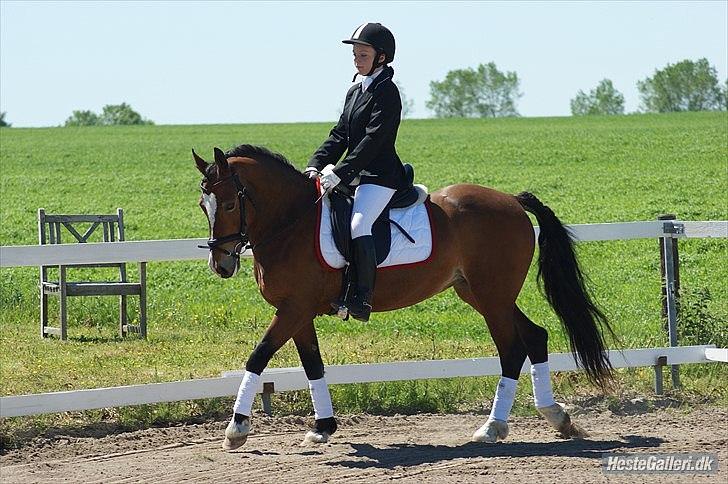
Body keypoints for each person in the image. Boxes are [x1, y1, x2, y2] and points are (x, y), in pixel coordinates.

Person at [305, 22, 407, 322]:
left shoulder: (387, 93)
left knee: (358, 225)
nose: (356, 59)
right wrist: (315, 163)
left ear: (381, 58)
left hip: (380, 178)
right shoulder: (355, 92)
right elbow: (339, 135)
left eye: (363, 54)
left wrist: (341, 172)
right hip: (355, 178)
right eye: (355, 54)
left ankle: (361, 297)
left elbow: (373, 140)